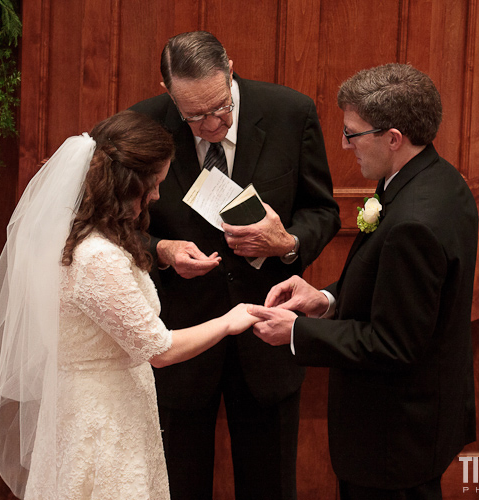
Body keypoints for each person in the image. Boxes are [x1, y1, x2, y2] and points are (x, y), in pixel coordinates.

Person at [0, 110, 258, 500]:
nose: (155, 195)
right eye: (153, 184)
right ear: (128, 183)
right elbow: (159, 349)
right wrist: (229, 321)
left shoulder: (76, 238)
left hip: (96, 406)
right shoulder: (96, 256)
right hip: (102, 421)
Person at [248, 63, 479, 500]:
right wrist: (324, 299)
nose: (343, 143)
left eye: (352, 133)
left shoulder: (415, 221)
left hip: (394, 436)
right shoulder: (436, 178)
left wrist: (296, 331)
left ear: (393, 138)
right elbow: (391, 288)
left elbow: (393, 343)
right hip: (421, 417)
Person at [129, 31, 340, 500]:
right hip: (180, 341)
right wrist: (161, 251)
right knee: (177, 485)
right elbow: (114, 227)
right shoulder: (143, 123)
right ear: (170, 95)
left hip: (267, 333)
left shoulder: (290, 112)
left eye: (220, 107)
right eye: (194, 115)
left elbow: (323, 211)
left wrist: (288, 244)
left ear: (230, 67)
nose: (211, 125)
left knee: (270, 484)